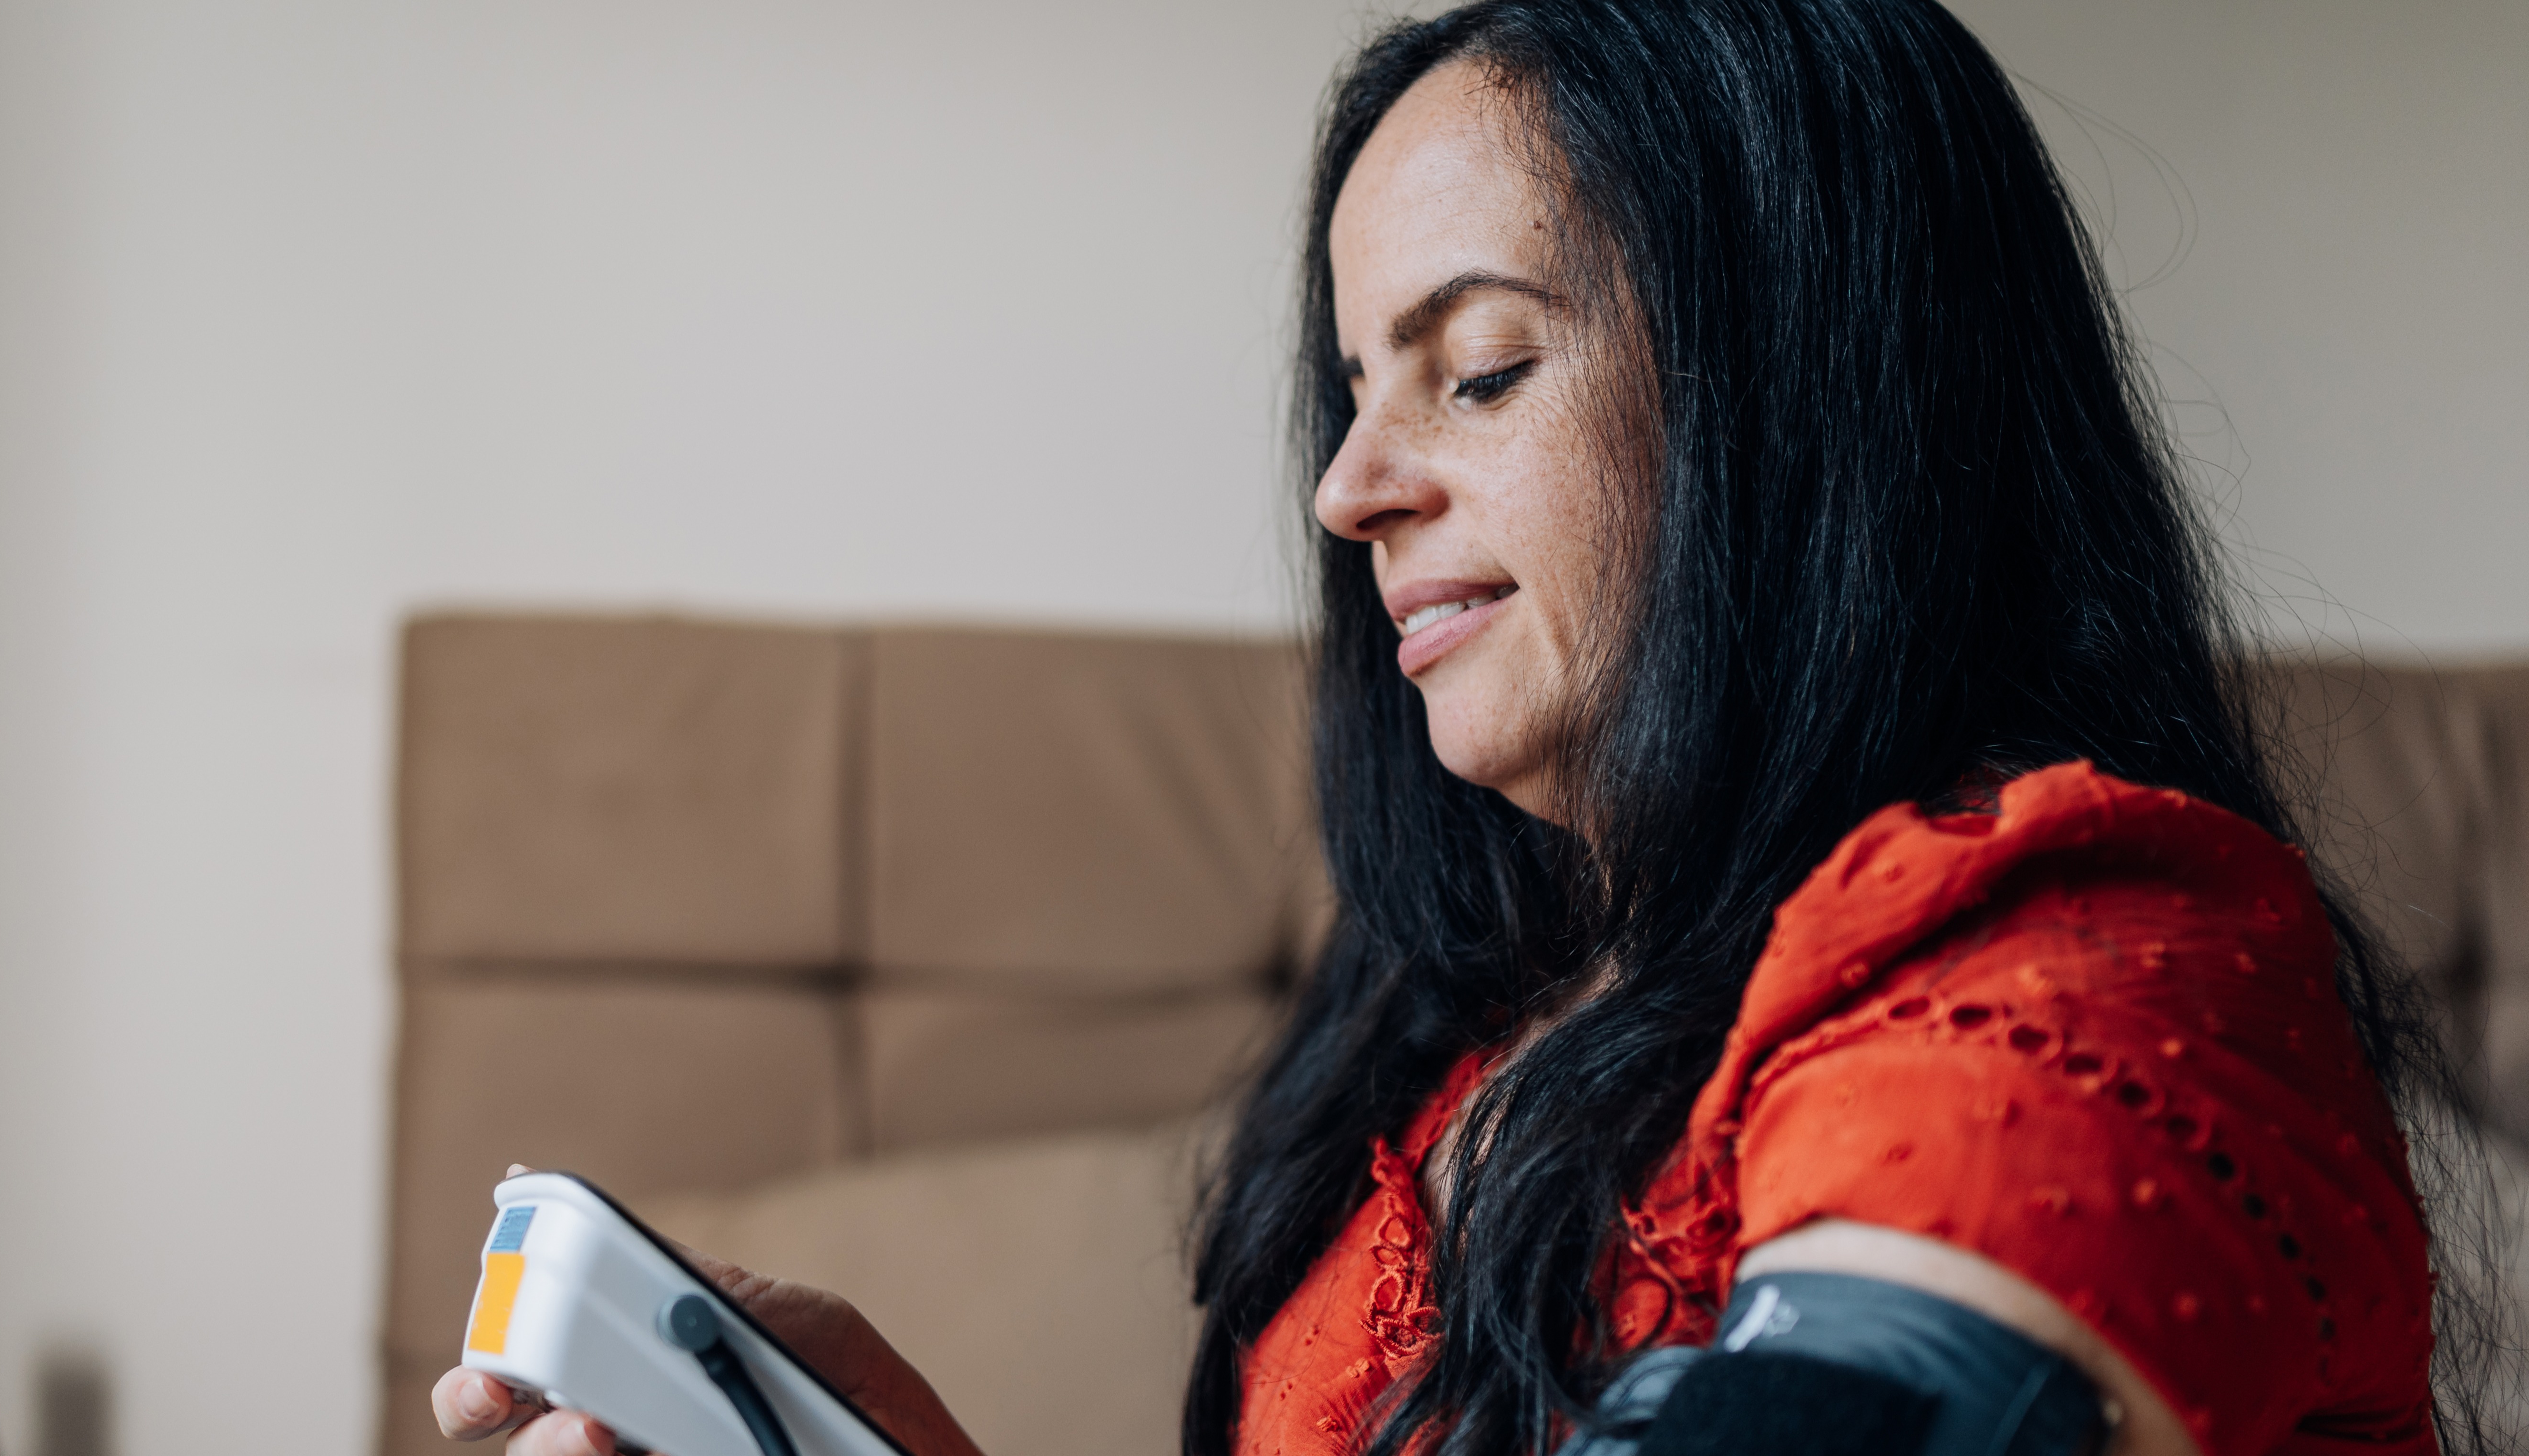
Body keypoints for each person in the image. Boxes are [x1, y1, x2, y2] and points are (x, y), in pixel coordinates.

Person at [433, 2, 2490, 1453]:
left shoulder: (2091, 959)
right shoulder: (1466, 1034)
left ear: (1806, 396)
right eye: (1351, 387)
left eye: (1478, 368)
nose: (1348, 489)